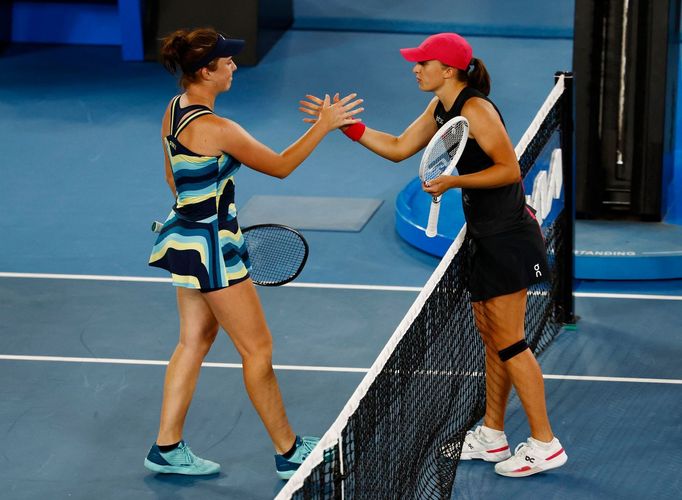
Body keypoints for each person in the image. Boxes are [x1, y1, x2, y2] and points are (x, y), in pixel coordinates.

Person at [300, 32, 567, 478]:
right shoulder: (441, 107)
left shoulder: (476, 109)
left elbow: (509, 170)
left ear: (448, 69)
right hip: (485, 234)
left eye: (423, 62)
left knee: (511, 341)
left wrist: (453, 183)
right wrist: (342, 126)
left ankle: (545, 443)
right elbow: (399, 148)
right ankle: (493, 434)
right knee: (490, 334)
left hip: (507, 237)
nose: (415, 68)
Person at [145, 28, 362, 479]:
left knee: (194, 341)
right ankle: (288, 451)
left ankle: (166, 446)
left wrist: (211, 218)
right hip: (213, 252)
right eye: (226, 61)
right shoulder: (220, 129)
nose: (233, 66)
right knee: (257, 348)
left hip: (184, 239)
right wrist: (324, 125)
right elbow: (281, 167)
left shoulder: (174, 112)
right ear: (206, 71)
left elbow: (174, 180)